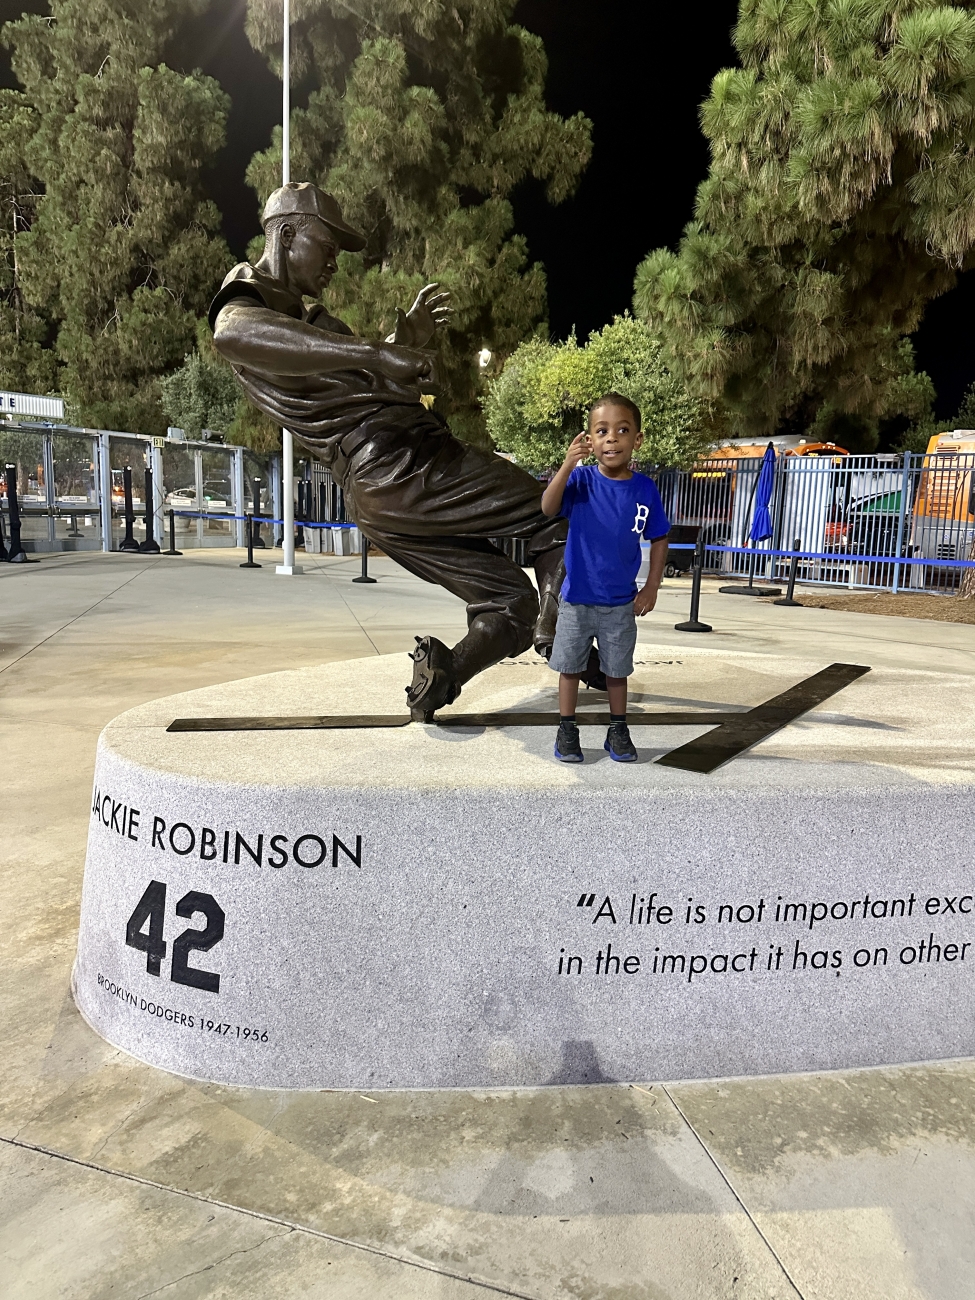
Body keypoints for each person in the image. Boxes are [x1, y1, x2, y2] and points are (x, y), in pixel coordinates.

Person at [209, 181, 582, 720]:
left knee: (511, 602)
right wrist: (380, 353)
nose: (335, 261)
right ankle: (563, 636)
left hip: (376, 491)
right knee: (560, 512)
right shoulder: (247, 299)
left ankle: (445, 674)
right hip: (403, 460)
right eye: (327, 245)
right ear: (286, 234)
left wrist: (401, 338)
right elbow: (231, 332)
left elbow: (347, 378)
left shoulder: (301, 320)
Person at [540, 393, 669, 763]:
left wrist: (651, 587)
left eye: (622, 430)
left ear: (637, 439)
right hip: (578, 598)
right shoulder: (580, 480)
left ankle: (618, 730)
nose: (612, 438)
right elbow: (548, 507)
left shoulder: (645, 488)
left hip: (619, 603)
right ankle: (567, 730)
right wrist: (566, 464)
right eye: (602, 431)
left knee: (616, 671)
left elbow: (659, 537)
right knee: (569, 668)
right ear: (590, 440)